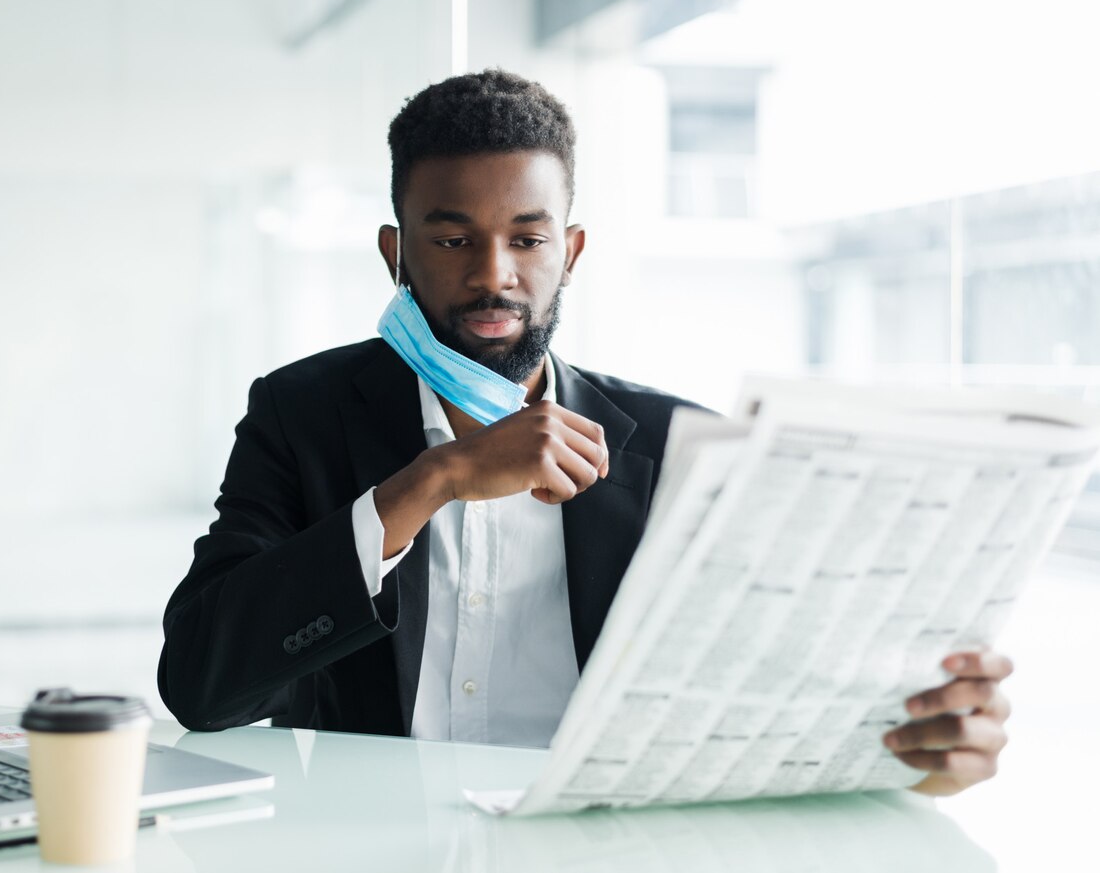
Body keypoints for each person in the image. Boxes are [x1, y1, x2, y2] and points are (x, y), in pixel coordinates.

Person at [158, 70, 1011, 797]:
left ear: (569, 252)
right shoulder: (298, 414)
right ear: (396, 252)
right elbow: (203, 686)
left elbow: (765, 690)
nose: (495, 274)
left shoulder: (680, 446)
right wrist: (431, 481)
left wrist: (906, 754)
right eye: (453, 238)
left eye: (527, 239)